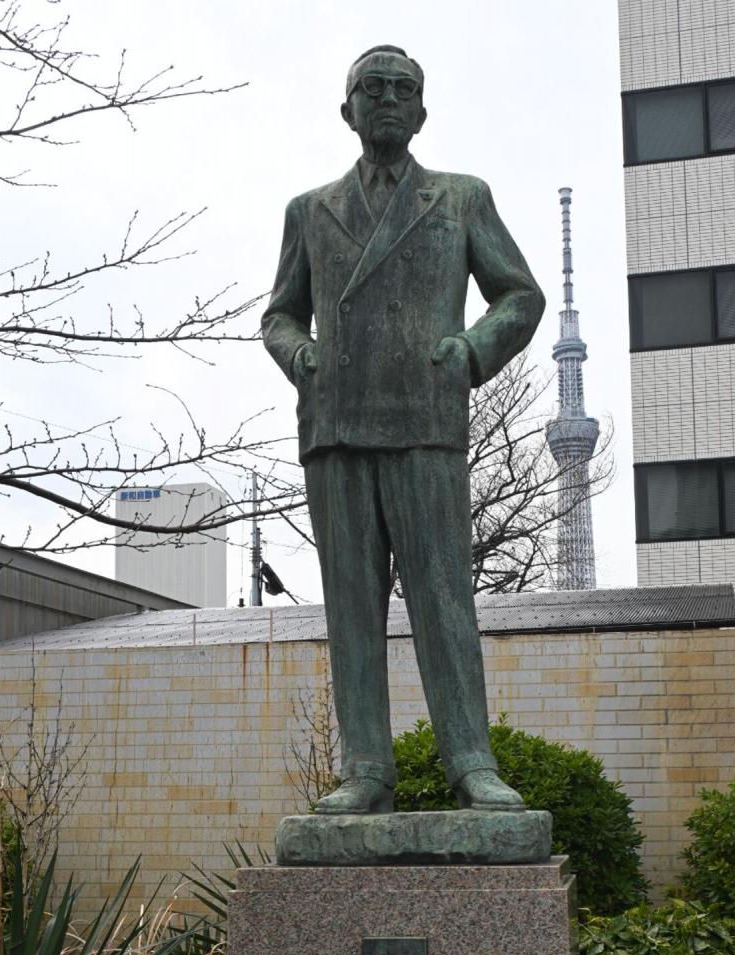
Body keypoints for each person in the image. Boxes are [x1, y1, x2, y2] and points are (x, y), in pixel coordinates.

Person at [262, 45, 545, 815]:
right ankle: (364, 769)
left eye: (402, 90)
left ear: (421, 112)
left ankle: (471, 763)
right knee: (351, 609)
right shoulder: (309, 210)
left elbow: (519, 297)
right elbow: (280, 313)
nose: (387, 99)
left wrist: (470, 352)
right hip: (337, 423)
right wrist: (301, 357)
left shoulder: (460, 197)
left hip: (424, 416)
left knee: (443, 601)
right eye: (372, 88)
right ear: (346, 108)